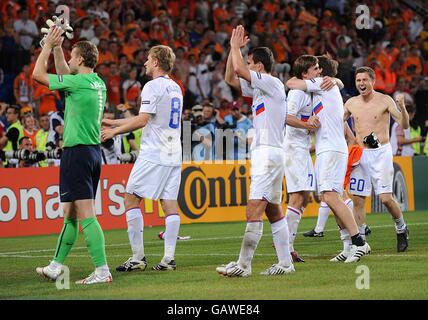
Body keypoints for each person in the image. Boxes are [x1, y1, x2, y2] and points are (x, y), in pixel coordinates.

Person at [33, 26, 112, 284]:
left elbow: (37, 75)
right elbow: (66, 76)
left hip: (77, 153)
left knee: (86, 213)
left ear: (79, 59)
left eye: (71, 56)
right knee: (69, 213)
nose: (68, 61)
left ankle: (102, 270)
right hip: (90, 153)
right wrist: (58, 48)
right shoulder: (96, 83)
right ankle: (56, 266)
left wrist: (47, 44)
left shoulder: (78, 83)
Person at [217, 25, 292, 276]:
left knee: (253, 208)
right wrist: (232, 49)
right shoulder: (260, 88)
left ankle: (244, 265)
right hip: (268, 152)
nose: (246, 65)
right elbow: (231, 77)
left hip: (268, 153)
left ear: (259, 66)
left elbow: (239, 69)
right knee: (272, 210)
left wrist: (236, 48)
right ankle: (285, 263)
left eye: (250, 62)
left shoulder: (271, 83)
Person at [101, 45, 183, 272]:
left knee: (130, 198)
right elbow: (149, 118)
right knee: (169, 204)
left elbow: (143, 120)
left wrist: (113, 132)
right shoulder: (175, 87)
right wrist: (114, 122)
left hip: (155, 152)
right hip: (173, 151)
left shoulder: (151, 86)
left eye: (148, 59)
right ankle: (168, 259)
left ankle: (137, 257)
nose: (145, 63)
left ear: (156, 62)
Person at [287, 55, 370, 263]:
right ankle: (347, 245)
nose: (316, 71)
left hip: (332, 150)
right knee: (333, 197)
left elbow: (291, 82)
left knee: (331, 197)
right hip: (327, 149)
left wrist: (335, 79)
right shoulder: (321, 90)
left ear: (322, 73)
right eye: (313, 68)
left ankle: (359, 242)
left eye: (317, 68)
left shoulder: (324, 85)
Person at [344, 66, 410, 252]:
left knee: (386, 198)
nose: (361, 84)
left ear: (372, 81)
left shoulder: (385, 100)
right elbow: (337, 121)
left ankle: (401, 228)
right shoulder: (351, 103)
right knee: (357, 199)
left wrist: (402, 107)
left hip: (381, 153)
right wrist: (351, 138)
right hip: (361, 155)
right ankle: (361, 242)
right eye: (358, 80)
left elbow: (404, 125)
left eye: (365, 80)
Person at [282, 55, 322, 263]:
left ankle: (286, 241)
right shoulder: (297, 93)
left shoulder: (309, 91)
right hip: (294, 149)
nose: (319, 72)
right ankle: (285, 246)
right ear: (304, 73)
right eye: (315, 69)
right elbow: (286, 117)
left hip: (301, 148)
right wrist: (308, 126)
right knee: (298, 196)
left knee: (304, 196)